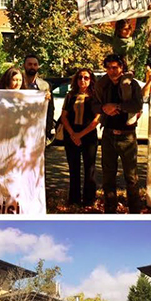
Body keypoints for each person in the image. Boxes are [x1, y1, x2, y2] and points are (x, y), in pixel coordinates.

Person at [93, 53, 151, 214]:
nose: (112, 71)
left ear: (121, 68)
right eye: (108, 68)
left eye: (115, 67)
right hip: (108, 135)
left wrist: (117, 106)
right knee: (108, 176)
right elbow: (94, 105)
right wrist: (104, 108)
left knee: (131, 177)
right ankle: (110, 211)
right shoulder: (101, 85)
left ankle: (135, 211)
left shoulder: (131, 84)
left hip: (127, 135)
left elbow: (137, 105)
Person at [59, 68, 101, 207]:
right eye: (80, 77)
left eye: (86, 78)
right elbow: (64, 117)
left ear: (91, 80)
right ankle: (74, 200)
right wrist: (72, 134)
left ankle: (89, 200)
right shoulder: (70, 95)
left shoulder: (96, 96)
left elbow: (96, 120)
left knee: (89, 169)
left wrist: (80, 135)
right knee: (73, 168)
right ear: (76, 80)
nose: (82, 80)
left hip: (88, 136)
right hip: (71, 135)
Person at [23, 54, 54, 142]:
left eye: (35, 64)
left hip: (38, 130)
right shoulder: (17, 82)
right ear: (24, 65)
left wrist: (47, 129)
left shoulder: (45, 85)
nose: (32, 67)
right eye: (29, 64)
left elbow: (50, 109)